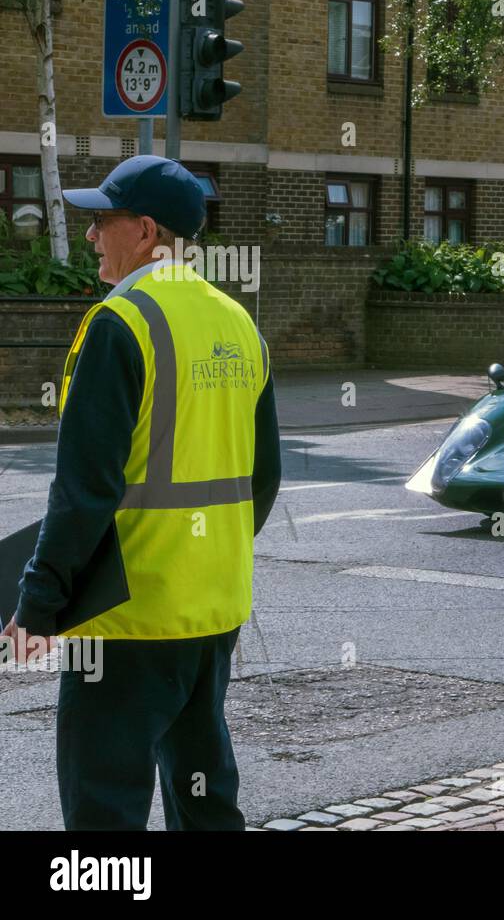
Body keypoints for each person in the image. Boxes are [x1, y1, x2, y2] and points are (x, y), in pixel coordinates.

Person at [0, 155, 281, 829]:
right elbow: (263, 478)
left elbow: (84, 492)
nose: (93, 236)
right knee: (205, 799)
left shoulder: (119, 323)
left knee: (105, 810)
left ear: (146, 230)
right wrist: (209, 558)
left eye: (102, 221)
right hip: (212, 609)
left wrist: (37, 609)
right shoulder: (237, 323)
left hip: (127, 618)